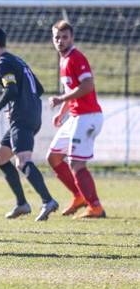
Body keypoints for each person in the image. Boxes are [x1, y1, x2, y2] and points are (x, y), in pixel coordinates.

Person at [0, 27, 59, 221]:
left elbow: (12, 90)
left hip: (22, 117)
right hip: (31, 114)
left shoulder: (3, 62)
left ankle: (48, 200)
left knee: (23, 161)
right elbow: (38, 89)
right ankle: (22, 204)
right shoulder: (18, 60)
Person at [46, 20, 105, 218]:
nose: (60, 41)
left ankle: (95, 206)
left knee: (77, 164)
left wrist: (61, 99)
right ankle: (79, 196)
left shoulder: (76, 58)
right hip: (75, 116)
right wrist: (62, 112)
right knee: (53, 157)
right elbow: (73, 90)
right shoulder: (64, 60)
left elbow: (87, 86)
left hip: (87, 117)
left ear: (72, 38)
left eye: (64, 37)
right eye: (57, 38)